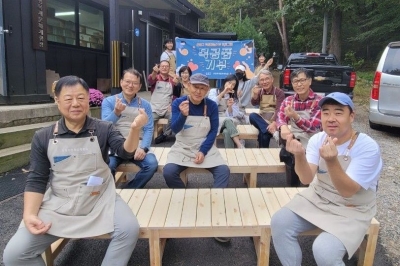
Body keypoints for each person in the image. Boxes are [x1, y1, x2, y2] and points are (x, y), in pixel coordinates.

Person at [3, 76, 148, 266]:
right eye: (68, 98)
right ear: (57, 101)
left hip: (99, 198)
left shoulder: (104, 128)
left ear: (88, 99)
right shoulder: (43, 136)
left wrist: (135, 129)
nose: (75, 104)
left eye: (80, 98)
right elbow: (37, 178)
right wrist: (29, 214)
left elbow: (125, 152)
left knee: (128, 229)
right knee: (14, 254)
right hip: (59, 202)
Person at [271, 92, 383, 266]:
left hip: (352, 207)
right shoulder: (318, 139)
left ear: (351, 116)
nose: (331, 118)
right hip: (319, 198)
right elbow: (307, 178)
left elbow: (348, 191)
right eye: (326, 112)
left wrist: (331, 161)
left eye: (338, 113)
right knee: (280, 221)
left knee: (324, 249)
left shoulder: (367, 147)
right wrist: (299, 155)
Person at [163, 73, 230, 190]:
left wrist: (203, 151)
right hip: (182, 147)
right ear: (188, 86)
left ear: (207, 90)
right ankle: (185, 197)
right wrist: (183, 115)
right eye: (195, 87)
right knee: (168, 172)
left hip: (205, 146)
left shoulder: (212, 106)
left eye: (202, 88)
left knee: (223, 171)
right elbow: (174, 129)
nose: (198, 92)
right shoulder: (178, 103)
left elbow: (213, 131)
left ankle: (214, 198)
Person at [102, 68, 157, 188]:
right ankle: (110, 194)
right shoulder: (109, 102)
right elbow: (104, 126)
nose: (130, 85)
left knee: (151, 165)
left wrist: (143, 148)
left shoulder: (145, 104)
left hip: (138, 144)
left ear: (139, 86)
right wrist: (116, 112)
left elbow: (148, 128)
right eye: (127, 81)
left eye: (135, 83)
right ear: (121, 82)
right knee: (108, 167)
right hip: (115, 146)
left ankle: (130, 189)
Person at [277, 68, 322, 186]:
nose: (299, 84)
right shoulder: (289, 101)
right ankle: (292, 187)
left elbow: (314, 127)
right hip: (295, 139)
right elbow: (280, 116)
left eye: (302, 80)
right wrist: (282, 126)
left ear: (310, 81)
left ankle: (305, 187)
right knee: (290, 151)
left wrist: (296, 117)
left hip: (312, 141)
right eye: (296, 81)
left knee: (305, 175)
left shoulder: (319, 101)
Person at [248, 69, 285, 148]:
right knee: (252, 116)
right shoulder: (260, 91)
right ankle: (272, 132)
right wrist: (254, 95)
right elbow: (254, 103)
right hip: (263, 119)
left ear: (272, 80)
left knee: (264, 134)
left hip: (275, 120)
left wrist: (274, 123)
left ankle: (262, 153)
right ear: (259, 82)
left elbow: (279, 110)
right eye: (262, 80)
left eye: (267, 79)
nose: (264, 82)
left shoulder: (279, 92)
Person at [208, 74, 246, 148]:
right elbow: (211, 105)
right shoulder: (214, 91)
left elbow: (233, 115)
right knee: (227, 120)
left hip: (227, 121)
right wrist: (223, 92)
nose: (231, 85)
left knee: (227, 132)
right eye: (229, 83)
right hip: (214, 119)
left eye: (233, 84)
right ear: (225, 82)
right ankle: (239, 144)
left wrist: (230, 107)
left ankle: (230, 153)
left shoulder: (233, 96)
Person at [148, 60, 177, 144]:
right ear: (159, 68)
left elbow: (175, 95)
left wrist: (172, 105)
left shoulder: (172, 80)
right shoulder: (155, 77)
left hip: (167, 108)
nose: (164, 68)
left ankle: (165, 135)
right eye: (162, 66)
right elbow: (150, 80)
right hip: (155, 108)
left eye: (166, 66)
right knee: (147, 121)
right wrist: (154, 71)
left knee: (174, 118)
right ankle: (146, 139)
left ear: (169, 68)